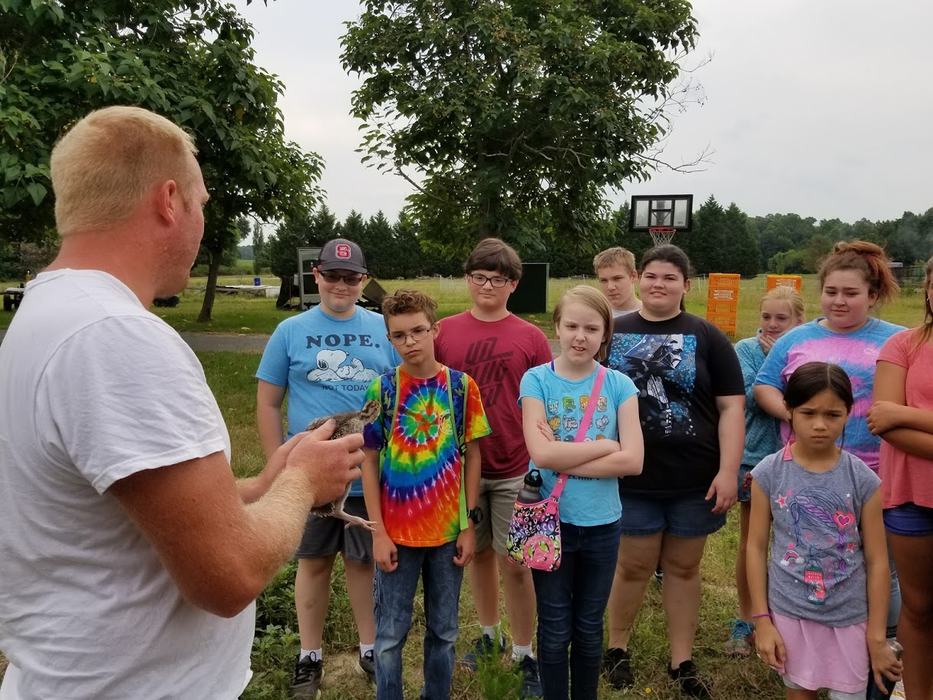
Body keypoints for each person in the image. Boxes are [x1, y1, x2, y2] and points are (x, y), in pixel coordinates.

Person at [0, 106, 362, 699]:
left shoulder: (50, 313)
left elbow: (126, 503)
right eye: (202, 202)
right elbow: (229, 576)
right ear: (170, 200)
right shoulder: (115, 337)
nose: (201, 218)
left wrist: (262, 485)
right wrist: (302, 481)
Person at [256, 237, 399, 696]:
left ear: (364, 280)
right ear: (316, 276)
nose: (341, 284)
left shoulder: (383, 329)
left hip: (365, 474)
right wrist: (279, 466)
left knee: (362, 562)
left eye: (351, 277)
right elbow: (268, 402)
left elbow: (402, 392)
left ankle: (370, 649)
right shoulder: (290, 331)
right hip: (308, 474)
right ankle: (310, 655)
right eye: (332, 276)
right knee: (314, 562)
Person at [604, 244, 745, 699]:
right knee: (633, 566)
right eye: (651, 275)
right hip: (632, 479)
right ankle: (617, 649)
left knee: (684, 568)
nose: (658, 284)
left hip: (694, 479)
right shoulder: (614, 332)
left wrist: (728, 471)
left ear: (686, 285)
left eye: (669, 277)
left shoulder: (709, 336)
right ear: (638, 279)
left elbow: (731, 409)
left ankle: (681, 660)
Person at [754, 240, 904, 645]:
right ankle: (815, 638)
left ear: (873, 295)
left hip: (875, 473)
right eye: (831, 291)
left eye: (851, 293)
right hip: (805, 475)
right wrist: (795, 417)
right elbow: (765, 386)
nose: (839, 301)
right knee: (813, 558)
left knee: (881, 565)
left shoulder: (897, 341)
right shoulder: (795, 338)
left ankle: (885, 644)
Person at [434, 238, 551, 696]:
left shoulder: (531, 337)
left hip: (514, 466)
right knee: (478, 555)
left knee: (517, 563)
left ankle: (524, 652)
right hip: (458, 466)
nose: (487, 286)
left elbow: (545, 402)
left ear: (513, 284)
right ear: (468, 279)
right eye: (479, 277)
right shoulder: (444, 332)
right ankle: (489, 634)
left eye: (498, 279)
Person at [361, 289, 491, 700]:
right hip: (397, 534)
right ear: (389, 339)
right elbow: (368, 461)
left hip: (447, 534)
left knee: (445, 631)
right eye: (399, 335)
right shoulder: (382, 390)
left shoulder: (461, 388)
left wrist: (467, 524)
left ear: (435, 330)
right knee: (389, 636)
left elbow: (473, 455)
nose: (410, 342)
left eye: (418, 331)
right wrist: (378, 532)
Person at [747, 362, 903, 700]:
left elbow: (878, 561)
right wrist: (762, 620)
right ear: (789, 409)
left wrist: (876, 637)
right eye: (808, 413)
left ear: (849, 413)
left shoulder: (863, 480)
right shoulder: (768, 474)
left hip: (850, 617)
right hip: (789, 613)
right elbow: (755, 548)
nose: (820, 425)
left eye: (833, 415)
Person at [519, 285, 643, 699]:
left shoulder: (620, 385)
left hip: (602, 525)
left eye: (591, 329)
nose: (580, 336)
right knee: (554, 628)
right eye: (571, 326)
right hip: (549, 522)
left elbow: (634, 461)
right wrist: (607, 446)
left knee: (590, 628)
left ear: (605, 334)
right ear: (556, 326)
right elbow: (540, 453)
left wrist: (561, 455)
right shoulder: (536, 380)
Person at [727, 286, 805, 656]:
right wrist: (776, 362)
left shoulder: (807, 350)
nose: (772, 325)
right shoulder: (745, 350)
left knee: (796, 541)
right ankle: (748, 617)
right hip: (755, 459)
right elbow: (751, 397)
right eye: (766, 317)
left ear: (799, 321)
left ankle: (792, 618)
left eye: (781, 318)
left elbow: (814, 397)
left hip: (800, 459)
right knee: (752, 542)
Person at [869, 255, 933, 700]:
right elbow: (884, 423)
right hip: (912, 498)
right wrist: (896, 418)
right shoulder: (903, 346)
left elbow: (896, 416)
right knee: (920, 606)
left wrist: (907, 413)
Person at [593, 246, 642, 317]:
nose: (610, 287)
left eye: (617, 278)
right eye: (604, 280)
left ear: (633, 276)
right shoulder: (595, 315)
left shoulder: (654, 314)